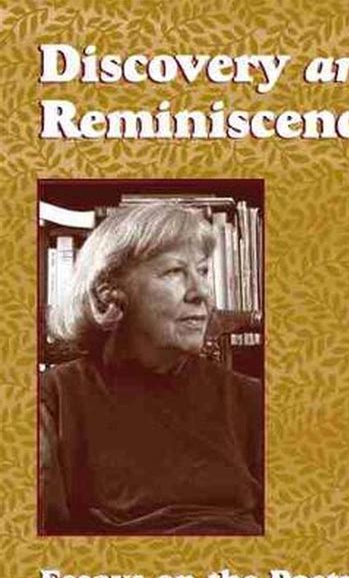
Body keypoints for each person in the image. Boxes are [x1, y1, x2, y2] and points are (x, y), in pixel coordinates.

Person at [39, 204, 263, 536]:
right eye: (174, 272)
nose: (201, 292)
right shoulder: (55, 396)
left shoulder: (252, 399)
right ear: (108, 292)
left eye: (203, 271)